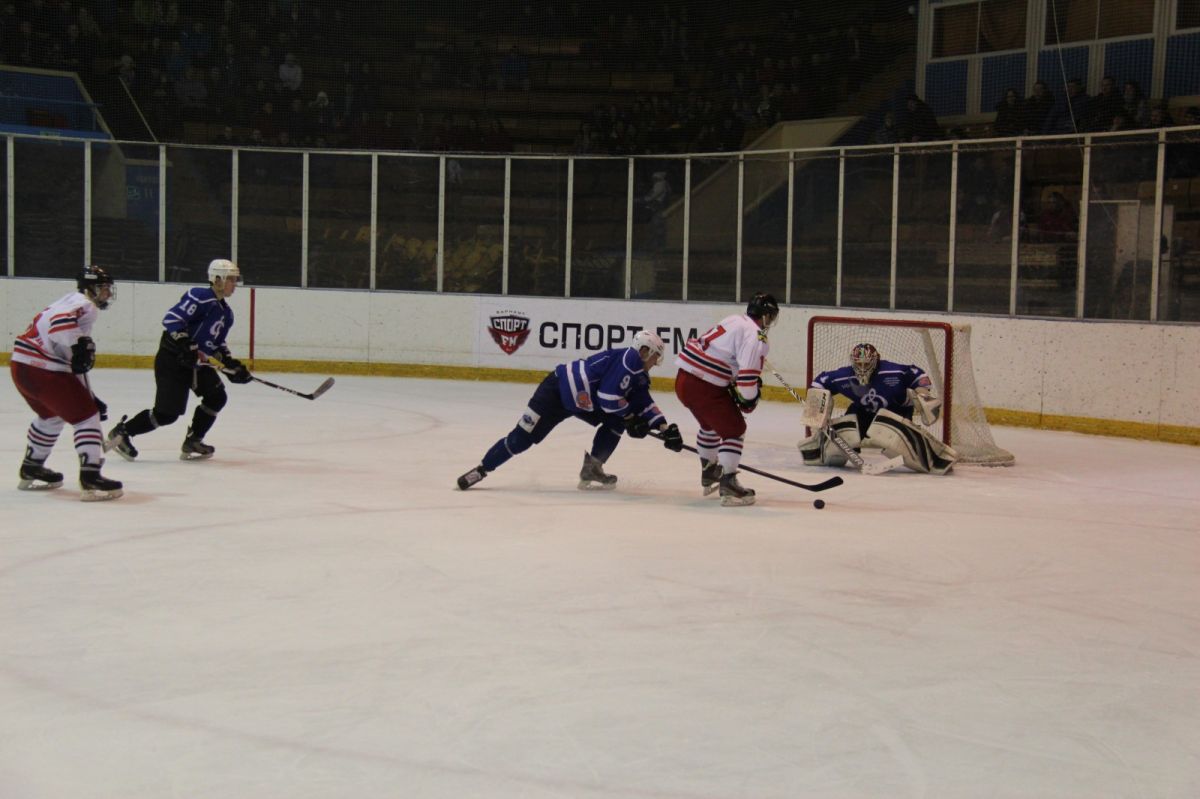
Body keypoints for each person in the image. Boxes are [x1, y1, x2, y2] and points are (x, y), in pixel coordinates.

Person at [456, 330, 683, 491]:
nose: (656, 362)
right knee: (521, 439)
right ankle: (482, 469)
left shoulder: (637, 370)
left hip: (584, 402)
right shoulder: (629, 361)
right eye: (655, 355)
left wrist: (663, 427)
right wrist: (631, 417)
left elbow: (642, 400)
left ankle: (593, 468)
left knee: (617, 421)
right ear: (644, 350)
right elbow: (608, 398)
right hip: (555, 393)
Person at [106, 259, 252, 462]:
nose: (234, 284)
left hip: (195, 363)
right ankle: (122, 433)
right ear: (217, 279)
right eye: (231, 279)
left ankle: (193, 440)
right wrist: (185, 343)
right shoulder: (200, 296)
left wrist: (230, 363)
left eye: (236, 280)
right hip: (173, 358)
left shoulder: (226, 313)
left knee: (217, 397)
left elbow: (216, 344)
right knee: (167, 414)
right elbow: (172, 319)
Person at [10, 265, 123, 501]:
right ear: (90, 288)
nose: (107, 293)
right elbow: (59, 325)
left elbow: (72, 363)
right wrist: (80, 343)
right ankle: (91, 475)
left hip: (21, 367)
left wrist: (89, 394)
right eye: (103, 288)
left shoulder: (68, 300)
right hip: (43, 370)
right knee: (87, 417)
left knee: (51, 416)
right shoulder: (86, 305)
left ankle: (32, 466)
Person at [674, 292, 778, 507]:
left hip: (683, 381)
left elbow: (721, 356)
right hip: (705, 386)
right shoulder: (756, 336)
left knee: (710, 426)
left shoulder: (734, 319)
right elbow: (747, 382)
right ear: (766, 316)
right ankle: (729, 483)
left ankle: (709, 471)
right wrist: (750, 399)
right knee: (734, 430)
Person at [799, 343, 957, 475]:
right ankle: (820, 450)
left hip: (896, 413)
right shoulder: (844, 376)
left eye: (866, 363)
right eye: (858, 363)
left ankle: (931, 456)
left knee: (889, 435)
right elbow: (820, 382)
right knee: (846, 430)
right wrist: (817, 405)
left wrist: (923, 394)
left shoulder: (893, 371)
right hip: (863, 412)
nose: (862, 367)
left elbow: (918, 375)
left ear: (876, 360)